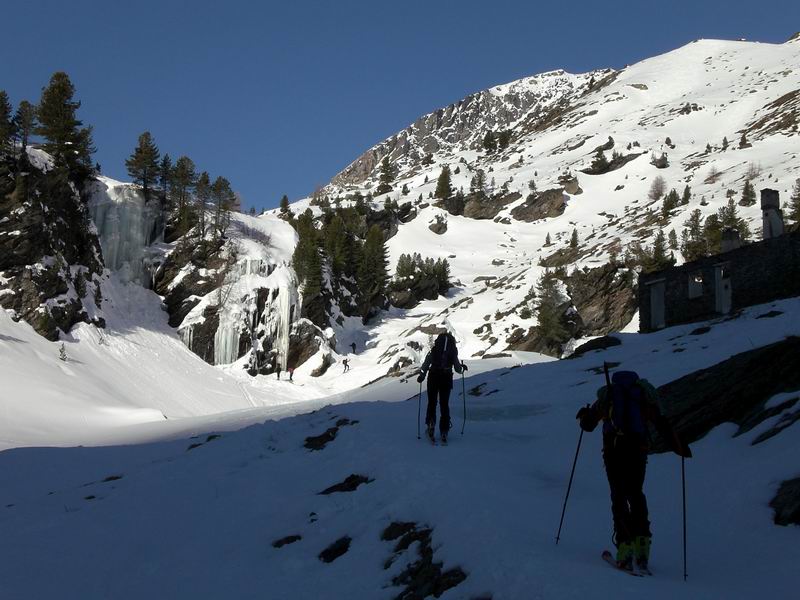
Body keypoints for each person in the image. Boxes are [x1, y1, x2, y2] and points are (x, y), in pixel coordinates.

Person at [576, 369, 691, 573]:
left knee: (618, 496)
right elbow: (661, 422)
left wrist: (585, 415)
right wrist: (678, 446)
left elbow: (588, 425)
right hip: (638, 450)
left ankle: (625, 549)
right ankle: (642, 547)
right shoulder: (643, 395)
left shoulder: (608, 395)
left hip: (613, 452)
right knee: (636, 493)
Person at [417, 332, 467, 444]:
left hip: (433, 377)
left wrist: (421, 376)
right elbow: (458, 368)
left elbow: (426, 364)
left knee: (432, 403)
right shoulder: (452, 351)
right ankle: (444, 430)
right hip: (446, 378)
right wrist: (462, 369)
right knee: (444, 404)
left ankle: (431, 425)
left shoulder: (434, 349)